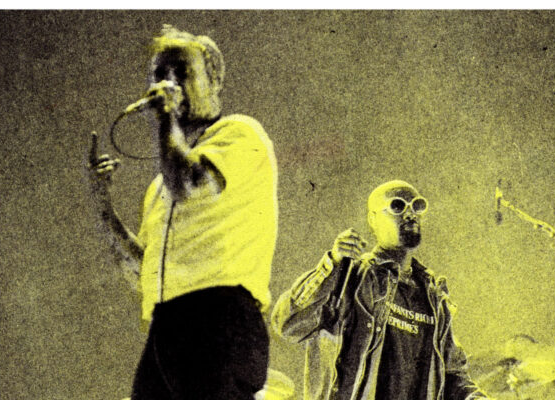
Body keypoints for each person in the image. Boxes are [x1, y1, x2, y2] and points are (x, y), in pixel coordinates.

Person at [87, 25, 278, 400]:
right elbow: (141, 271)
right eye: (159, 74)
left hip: (219, 318)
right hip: (166, 324)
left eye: (182, 72)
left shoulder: (239, 133)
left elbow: (189, 186)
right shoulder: (160, 186)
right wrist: (101, 201)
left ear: (214, 80)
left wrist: (166, 117)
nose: (168, 84)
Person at [271, 180, 488, 400]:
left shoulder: (433, 296)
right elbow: (287, 323)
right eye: (397, 206)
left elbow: (453, 376)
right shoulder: (350, 277)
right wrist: (331, 264)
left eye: (417, 206)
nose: (410, 214)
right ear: (372, 219)